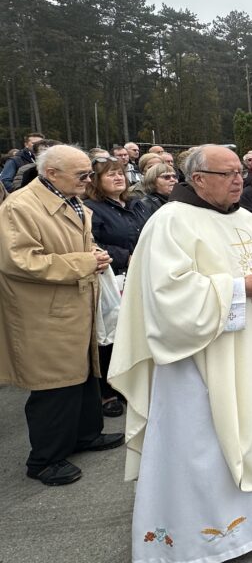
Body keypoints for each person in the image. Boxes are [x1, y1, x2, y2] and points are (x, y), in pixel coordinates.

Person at [108, 145, 252, 563]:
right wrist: (239, 288)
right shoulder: (170, 223)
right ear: (197, 179)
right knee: (203, 447)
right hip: (196, 361)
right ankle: (198, 541)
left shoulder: (250, 220)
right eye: (228, 173)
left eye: (241, 172)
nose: (239, 180)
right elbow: (165, 296)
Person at [0, 145, 121, 486]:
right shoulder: (19, 208)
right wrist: (84, 262)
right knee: (54, 386)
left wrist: (93, 252)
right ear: (51, 173)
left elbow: (72, 242)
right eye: (81, 174)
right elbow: (19, 261)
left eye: (88, 173)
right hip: (44, 312)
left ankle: (85, 434)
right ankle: (44, 459)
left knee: (83, 374)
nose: (88, 180)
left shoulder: (69, 198)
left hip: (73, 304)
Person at [85, 154, 144, 417]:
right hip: (113, 277)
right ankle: (107, 391)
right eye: (110, 174)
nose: (118, 177)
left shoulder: (136, 204)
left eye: (120, 172)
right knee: (110, 334)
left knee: (134, 329)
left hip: (139, 274)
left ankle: (129, 382)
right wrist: (125, 256)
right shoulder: (92, 208)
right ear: (97, 181)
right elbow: (92, 242)